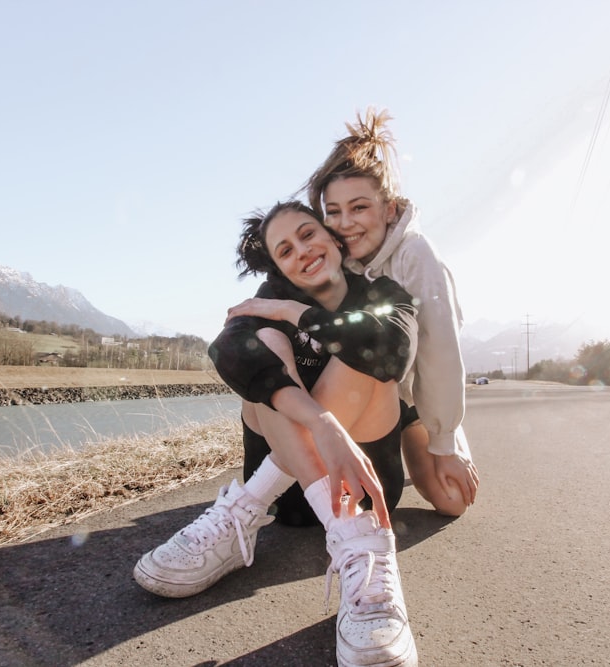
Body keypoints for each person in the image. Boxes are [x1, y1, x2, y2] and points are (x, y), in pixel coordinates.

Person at [134, 201, 420, 667]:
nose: (302, 251)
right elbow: (228, 349)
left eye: (309, 234)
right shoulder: (264, 299)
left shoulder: (382, 292)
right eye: (285, 250)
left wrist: (293, 311)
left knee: (369, 353)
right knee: (262, 346)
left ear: (332, 237)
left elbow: (394, 351)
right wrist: (321, 423)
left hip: (367, 492)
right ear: (277, 264)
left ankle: (344, 545)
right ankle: (336, 535)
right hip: (291, 501)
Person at [304, 107, 480, 517]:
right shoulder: (333, 258)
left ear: (388, 207)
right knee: (351, 503)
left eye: (360, 207)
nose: (345, 223)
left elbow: (440, 355)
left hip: (413, 396)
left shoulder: (416, 255)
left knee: (452, 502)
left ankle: (415, 439)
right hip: (363, 391)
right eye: (334, 211)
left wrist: (444, 441)